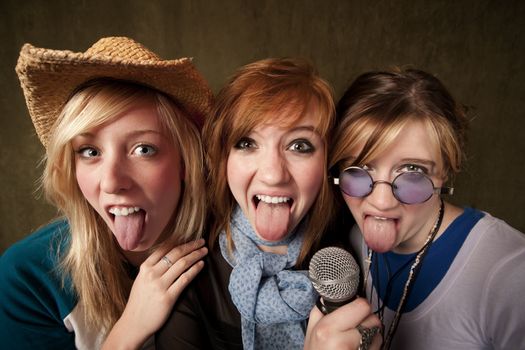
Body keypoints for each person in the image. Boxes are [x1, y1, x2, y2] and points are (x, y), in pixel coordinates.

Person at [0, 37, 213, 349]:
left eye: (143, 149)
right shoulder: (28, 277)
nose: (112, 182)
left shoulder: (236, 250)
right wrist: (130, 329)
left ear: (185, 161)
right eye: (89, 151)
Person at [156, 58, 380, 350]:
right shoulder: (188, 273)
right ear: (222, 158)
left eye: (300, 146)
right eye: (247, 143)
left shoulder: (354, 253)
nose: (273, 174)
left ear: (327, 163)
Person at [328, 67, 525, 349]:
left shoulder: (511, 274)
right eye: (359, 168)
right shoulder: (349, 242)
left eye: (412, 171)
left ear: (446, 170)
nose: (382, 202)